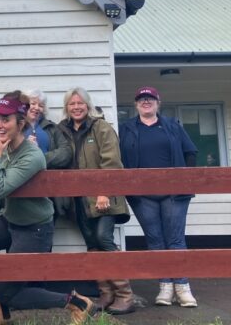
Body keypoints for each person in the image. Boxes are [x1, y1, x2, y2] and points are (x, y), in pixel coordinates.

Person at [0, 93, 94, 325]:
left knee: (12, 293)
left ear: (20, 123)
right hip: (9, 220)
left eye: (5, 119)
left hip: (34, 228)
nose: (0, 125)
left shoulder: (32, 156)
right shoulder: (5, 148)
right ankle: (0, 312)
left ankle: (77, 302)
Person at [118, 86, 199, 308]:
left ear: (158, 102)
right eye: (142, 99)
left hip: (174, 193)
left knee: (175, 239)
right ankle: (165, 286)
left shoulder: (173, 126)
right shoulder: (126, 129)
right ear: (136, 104)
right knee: (155, 240)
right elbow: (119, 159)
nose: (146, 102)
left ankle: (183, 288)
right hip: (142, 196)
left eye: (150, 99)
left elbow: (190, 153)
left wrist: (185, 181)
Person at [56, 87, 134, 315]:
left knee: (103, 238)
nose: (76, 107)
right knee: (91, 243)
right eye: (72, 104)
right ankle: (106, 294)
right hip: (79, 200)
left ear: (87, 105)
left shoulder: (101, 127)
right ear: (66, 108)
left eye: (80, 103)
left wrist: (104, 191)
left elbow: (111, 161)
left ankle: (124, 295)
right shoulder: (64, 131)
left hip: (103, 197)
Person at [24, 89, 73, 218]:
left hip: (49, 188)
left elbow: (66, 152)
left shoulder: (52, 128)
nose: (36, 108)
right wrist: (23, 147)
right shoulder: (14, 126)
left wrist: (40, 158)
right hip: (22, 186)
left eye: (40, 105)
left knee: (47, 226)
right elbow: (1, 150)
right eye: (33, 103)